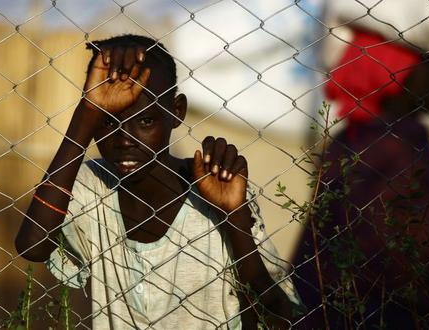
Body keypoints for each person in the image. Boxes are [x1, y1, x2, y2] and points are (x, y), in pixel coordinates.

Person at [15, 35, 301, 329]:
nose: (125, 140)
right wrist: (86, 113)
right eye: (107, 120)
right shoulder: (91, 185)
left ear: (176, 111)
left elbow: (276, 319)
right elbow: (32, 247)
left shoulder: (216, 187)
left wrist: (234, 217)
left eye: (146, 121)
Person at [293, 29, 429, 329]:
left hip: (327, 300)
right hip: (380, 305)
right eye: (425, 64)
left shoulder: (351, 137)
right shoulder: (400, 139)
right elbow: (411, 232)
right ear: (391, 74)